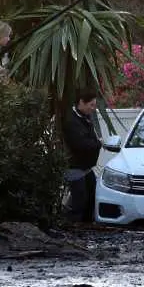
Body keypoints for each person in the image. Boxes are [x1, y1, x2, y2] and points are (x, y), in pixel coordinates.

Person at [62, 89, 102, 223]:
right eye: (91, 105)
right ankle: (74, 225)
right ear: (81, 103)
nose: (93, 108)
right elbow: (80, 143)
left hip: (86, 167)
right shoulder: (72, 121)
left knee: (91, 195)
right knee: (79, 199)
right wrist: (97, 144)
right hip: (75, 166)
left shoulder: (86, 118)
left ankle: (86, 224)